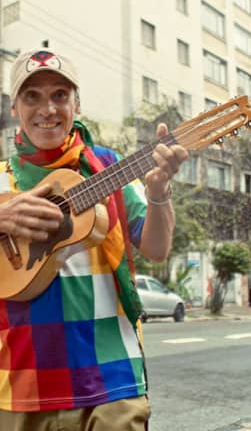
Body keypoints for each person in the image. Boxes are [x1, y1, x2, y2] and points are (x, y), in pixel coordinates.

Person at [0, 48, 189, 430]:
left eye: (60, 95)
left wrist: (159, 192)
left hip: (112, 378)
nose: (47, 109)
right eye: (32, 97)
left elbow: (156, 248)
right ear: (15, 109)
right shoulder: (1, 179)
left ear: (77, 105)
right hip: (20, 382)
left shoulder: (110, 168)